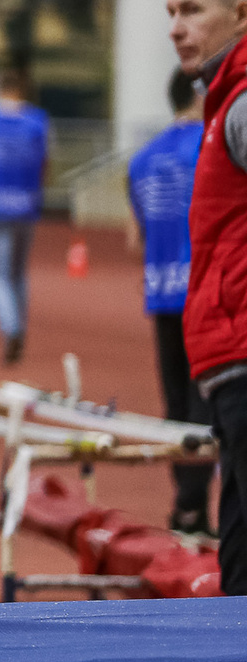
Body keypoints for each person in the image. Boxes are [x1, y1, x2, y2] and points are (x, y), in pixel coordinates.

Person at [169, 0, 247, 594]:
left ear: (241, 14)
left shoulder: (244, 103)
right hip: (228, 358)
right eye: (170, 12)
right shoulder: (223, 102)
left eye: (191, 10)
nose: (175, 27)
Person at [125, 63, 208, 534]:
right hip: (204, 292)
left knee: (175, 404)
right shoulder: (214, 148)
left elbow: (136, 236)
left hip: (161, 293)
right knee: (205, 403)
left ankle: (188, 507)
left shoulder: (143, 159)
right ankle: (192, 505)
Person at [0, 69, 50, 365]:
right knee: (18, 274)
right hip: (26, 204)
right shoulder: (37, 120)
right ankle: (20, 327)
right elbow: (44, 163)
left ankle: (10, 326)